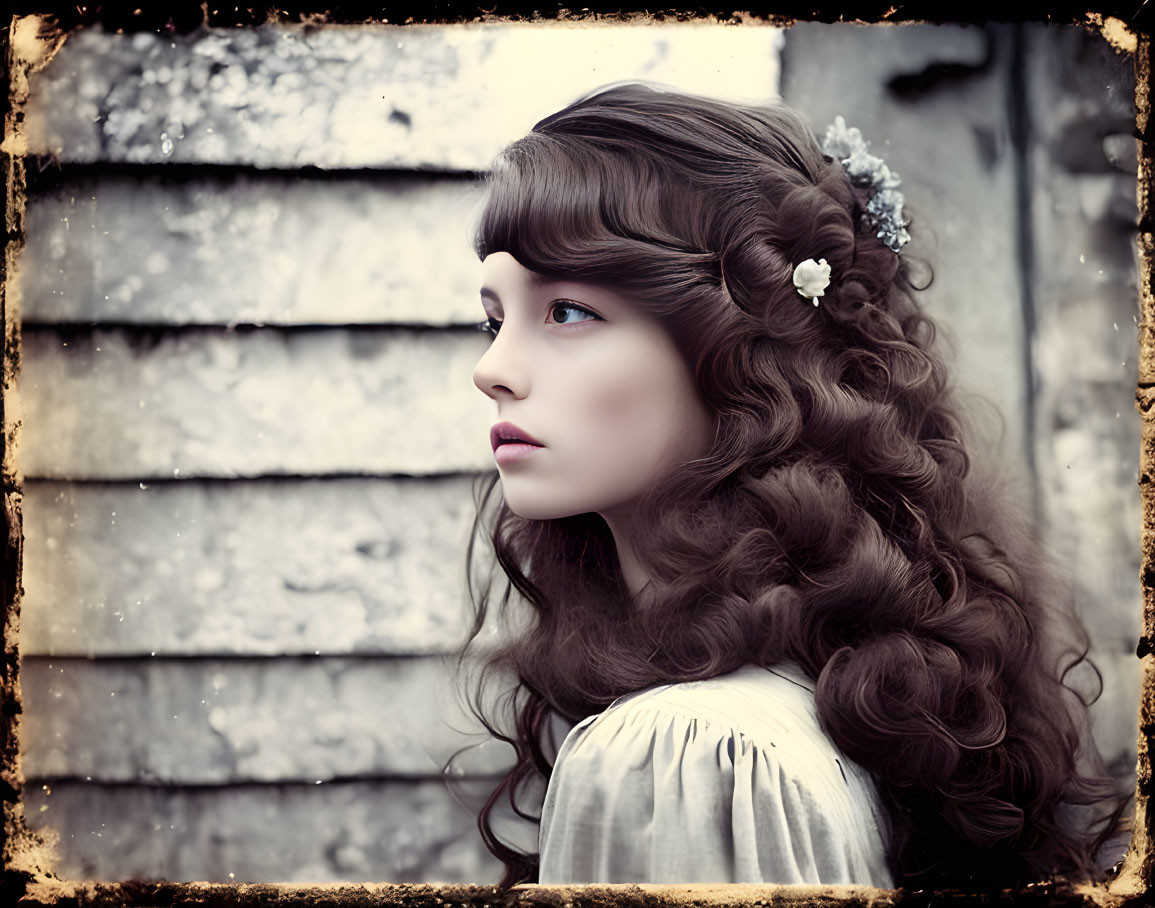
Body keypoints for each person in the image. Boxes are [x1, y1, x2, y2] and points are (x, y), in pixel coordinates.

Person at [449, 82, 1133, 891]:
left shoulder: (683, 757)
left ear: (740, 356)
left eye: (566, 312)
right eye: (497, 319)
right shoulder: (836, 698)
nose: (491, 370)